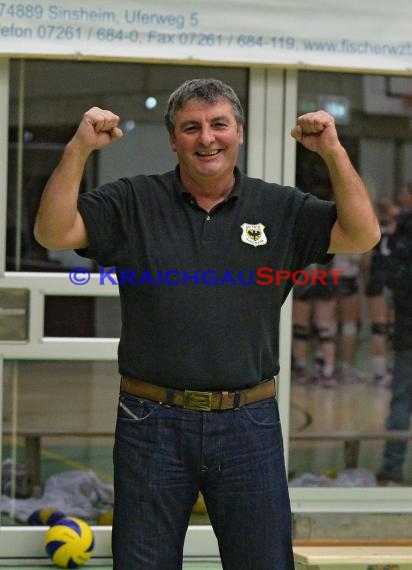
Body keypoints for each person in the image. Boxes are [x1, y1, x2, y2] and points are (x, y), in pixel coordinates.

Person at [34, 78, 380, 570]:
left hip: (249, 423)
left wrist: (332, 152)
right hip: (150, 422)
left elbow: (362, 235)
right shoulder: (134, 201)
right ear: (173, 139)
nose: (206, 138)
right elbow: (53, 229)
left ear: (238, 132)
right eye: (190, 127)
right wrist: (78, 148)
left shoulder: (280, 208)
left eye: (219, 124)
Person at [377, 190, 412, 484]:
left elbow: (392, 288)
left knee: (401, 402)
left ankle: (391, 468)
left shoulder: (401, 243)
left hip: (407, 336)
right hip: (407, 335)